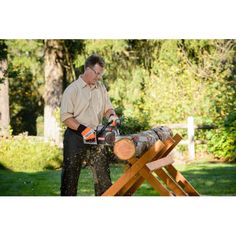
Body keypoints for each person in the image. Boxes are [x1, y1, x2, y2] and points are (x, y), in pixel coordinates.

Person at [60, 54, 119, 196]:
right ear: (87, 69)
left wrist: (112, 115)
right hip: (75, 136)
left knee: (103, 176)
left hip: (96, 136)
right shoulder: (72, 90)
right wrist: (83, 129)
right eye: (97, 73)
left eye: (101, 74)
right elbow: (66, 117)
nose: (98, 77)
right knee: (70, 178)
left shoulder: (101, 88)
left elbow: (108, 108)